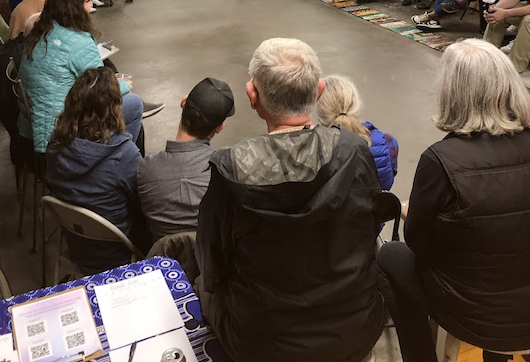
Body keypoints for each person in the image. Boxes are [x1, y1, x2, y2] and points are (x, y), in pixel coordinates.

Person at [195, 38, 384, 362]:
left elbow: (213, 270)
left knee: (199, 282)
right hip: (354, 332)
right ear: (319, 90)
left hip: (263, 345)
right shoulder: (354, 151)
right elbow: (368, 232)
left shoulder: (231, 168)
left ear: (252, 96)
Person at [378, 39, 530, 362]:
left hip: (476, 318)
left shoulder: (441, 160)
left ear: (452, 94)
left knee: (390, 257)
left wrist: (412, 212)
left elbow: (417, 243)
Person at [19, 0, 144, 154]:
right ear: (75, 7)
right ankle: (120, 162)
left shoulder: (39, 33)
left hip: (36, 125)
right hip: (63, 129)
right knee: (134, 103)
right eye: (88, 0)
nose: (92, 4)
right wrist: (123, 84)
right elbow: (102, 91)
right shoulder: (79, 41)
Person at [46, 66, 147, 274]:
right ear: (114, 108)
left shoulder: (55, 144)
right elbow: (144, 205)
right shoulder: (124, 155)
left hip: (75, 242)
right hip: (117, 250)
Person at [137, 77, 235, 242]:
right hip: (215, 263)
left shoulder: (145, 170)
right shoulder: (229, 169)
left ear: (183, 103)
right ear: (219, 128)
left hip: (166, 261)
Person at [316, 74, 398, 190]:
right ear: (356, 104)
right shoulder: (388, 143)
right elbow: (386, 185)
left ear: (319, 111)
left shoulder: (310, 149)